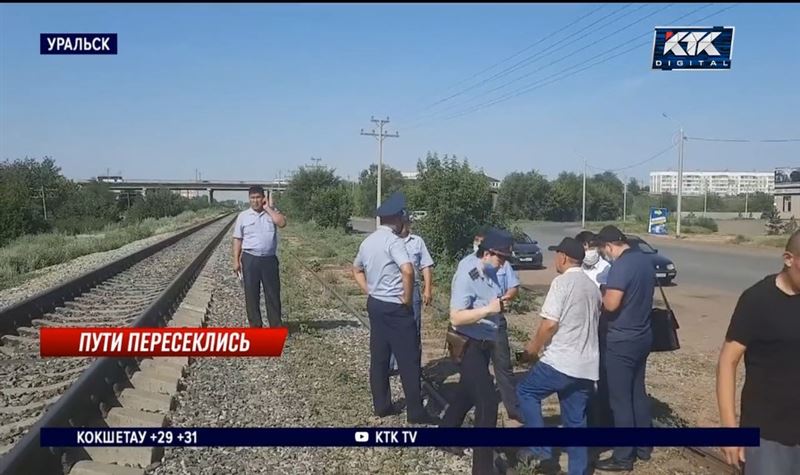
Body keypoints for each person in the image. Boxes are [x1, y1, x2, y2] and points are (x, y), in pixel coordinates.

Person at [716, 230, 800, 474]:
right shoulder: (757, 300)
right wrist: (729, 429)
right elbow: (727, 362)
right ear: (788, 259)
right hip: (767, 434)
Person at [516, 237, 601, 475]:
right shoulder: (592, 287)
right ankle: (578, 471)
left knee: (526, 392)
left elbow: (549, 325)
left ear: (563, 257)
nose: (554, 258)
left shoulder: (562, 283)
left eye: (556, 254)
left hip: (561, 361)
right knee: (575, 422)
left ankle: (540, 449)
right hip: (587, 365)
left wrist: (532, 350)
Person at [352, 191, 438, 425]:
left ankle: (381, 406)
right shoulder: (394, 242)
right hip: (396, 308)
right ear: (399, 218)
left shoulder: (368, 241)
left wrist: (369, 290)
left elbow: (356, 269)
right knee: (408, 359)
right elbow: (408, 270)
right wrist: (407, 299)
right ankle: (416, 412)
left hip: (376, 306)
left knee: (379, 358)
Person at [442, 228, 513, 475]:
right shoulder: (467, 274)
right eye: (501, 257)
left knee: (467, 392)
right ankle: (482, 469)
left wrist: (498, 306)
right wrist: (489, 311)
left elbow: (491, 301)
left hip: (483, 345)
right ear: (487, 252)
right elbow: (456, 317)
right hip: (467, 344)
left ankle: (446, 432)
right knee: (487, 401)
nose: (503, 262)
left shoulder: (490, 271)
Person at [594, 225, 655, 472]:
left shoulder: (621, 266)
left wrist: (601, 293)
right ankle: (644, 448)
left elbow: (611, 304)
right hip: (643, 335)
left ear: (609, 246)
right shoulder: (644, 261)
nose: (604, 255)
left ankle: (623, 457)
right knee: (637, 393)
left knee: (620, 401)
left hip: (621, 340)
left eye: (603, 250)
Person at [470, 228, 523, 423]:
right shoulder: (472, 266)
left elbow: (514, 287)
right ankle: (479, 402)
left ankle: (513, 407)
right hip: (476, 323)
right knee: (477, 368)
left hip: (497, 322)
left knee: (503, 365)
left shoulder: (504, 264)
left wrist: (505, 298)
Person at [232, 185, 287, 328]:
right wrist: (236, 261)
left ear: (263, 198)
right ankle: (255, 327)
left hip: (269, 259)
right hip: (250, 259)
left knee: (272, 293)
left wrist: (268, 208)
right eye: (252, 198)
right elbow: (238, 239)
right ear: (249, 199)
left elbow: (282, 223)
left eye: (258, 197)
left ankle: (275, 326)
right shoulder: (243, 216)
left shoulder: (272, 213)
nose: (255, 200)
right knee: (251, 295)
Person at [389, 217, 434, 373]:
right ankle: (392, 364)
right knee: (393, 326)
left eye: (403, 223)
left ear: (407, 224)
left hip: (413, 288)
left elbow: (426, 266)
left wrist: (427, 289)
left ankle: (413, 364)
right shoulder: (391, 240)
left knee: (413, 327)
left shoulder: (417, 242)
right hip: (394, 288)